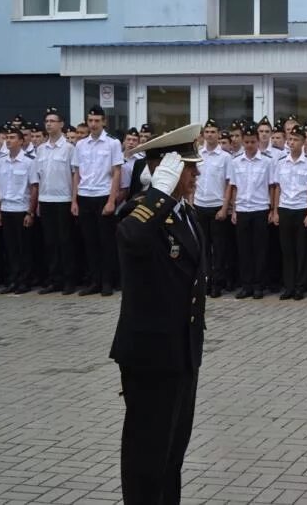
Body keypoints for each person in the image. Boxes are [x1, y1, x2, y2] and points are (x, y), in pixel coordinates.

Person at [110, 125, 206, 504]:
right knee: (146, 458)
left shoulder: (185, 214)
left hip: (181, 353)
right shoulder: (140, 213)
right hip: (151, 356)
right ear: (166, 171)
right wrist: (156, 194)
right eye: (189, 168)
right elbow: (131, 239)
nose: (196, 175)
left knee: (171, 457)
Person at [72, 106, 124, 296]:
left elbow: (117, 172)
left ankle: (107, 282)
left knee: (106, 242)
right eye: (90, 121)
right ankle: (94, 281)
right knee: (90, 242)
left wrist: (112, 201)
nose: (93, 124)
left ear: (104, 122)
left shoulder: (112, 143)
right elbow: (77, 173)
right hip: (85, 195)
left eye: (96, 121)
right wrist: (74, 201)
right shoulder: (80, 145)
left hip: (103, 195)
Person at [227, 125, 276, 300]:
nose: (249, 145)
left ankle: (258, 286)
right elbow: (233, 187)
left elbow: (272, 186)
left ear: (258, 141)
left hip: (260, 209)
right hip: (242, 209)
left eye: (252, 142)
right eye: (246, 142)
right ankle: (246, 285)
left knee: (260, 250)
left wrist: (272, 209)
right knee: (244, 250)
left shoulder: (267, 161)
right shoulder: (236, 162)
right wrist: (233, 210)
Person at [272, 125, 307, 300]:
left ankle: (300, 286)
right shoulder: (281, 163)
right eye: (290, 139)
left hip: (301, 209)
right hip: (285, 208)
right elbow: (277, 188)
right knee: (287, 250)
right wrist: (276, 211)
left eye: (295, 140)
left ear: (303, 142)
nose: (292, 143)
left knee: (301, 250)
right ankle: (289, 286)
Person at [35, 107, 76, 295]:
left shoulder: (69, 148)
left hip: (64, 199)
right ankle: (54, 279)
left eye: (53, 121)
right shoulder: (40, 149)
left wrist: (74, 200)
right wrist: (37, 203)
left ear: (61, 124)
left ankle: (69, 280)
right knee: (50, 243)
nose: (49, 124)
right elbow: (38, 177)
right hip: (45, 199)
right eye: (47, 121)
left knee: (65, 242)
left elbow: (75, 175)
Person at [0, 126, 39, 294]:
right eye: (7, 137)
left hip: (22, 208)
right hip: (6, 208)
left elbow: (34, 187)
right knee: (10, 248)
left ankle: (24, 281)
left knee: (24, 248)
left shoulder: (29, 162)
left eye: (13, 137)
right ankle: (13, 280)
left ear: (21, 141)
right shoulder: (1, 161)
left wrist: (30, 212)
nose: (9, 140)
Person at [193, 119, 231, 298]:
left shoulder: (225, 157)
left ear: (218, 134)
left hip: (217, 206)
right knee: (203, 248)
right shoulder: (198, 155)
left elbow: (229, 184)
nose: (210, 135)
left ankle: (218, 283)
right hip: (200, 205)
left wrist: (225, 208)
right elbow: (193, 181)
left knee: (220, 249)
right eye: (207, 132)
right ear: (203, 135)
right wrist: (191, 203)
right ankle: (206, 281)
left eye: (213, 132)